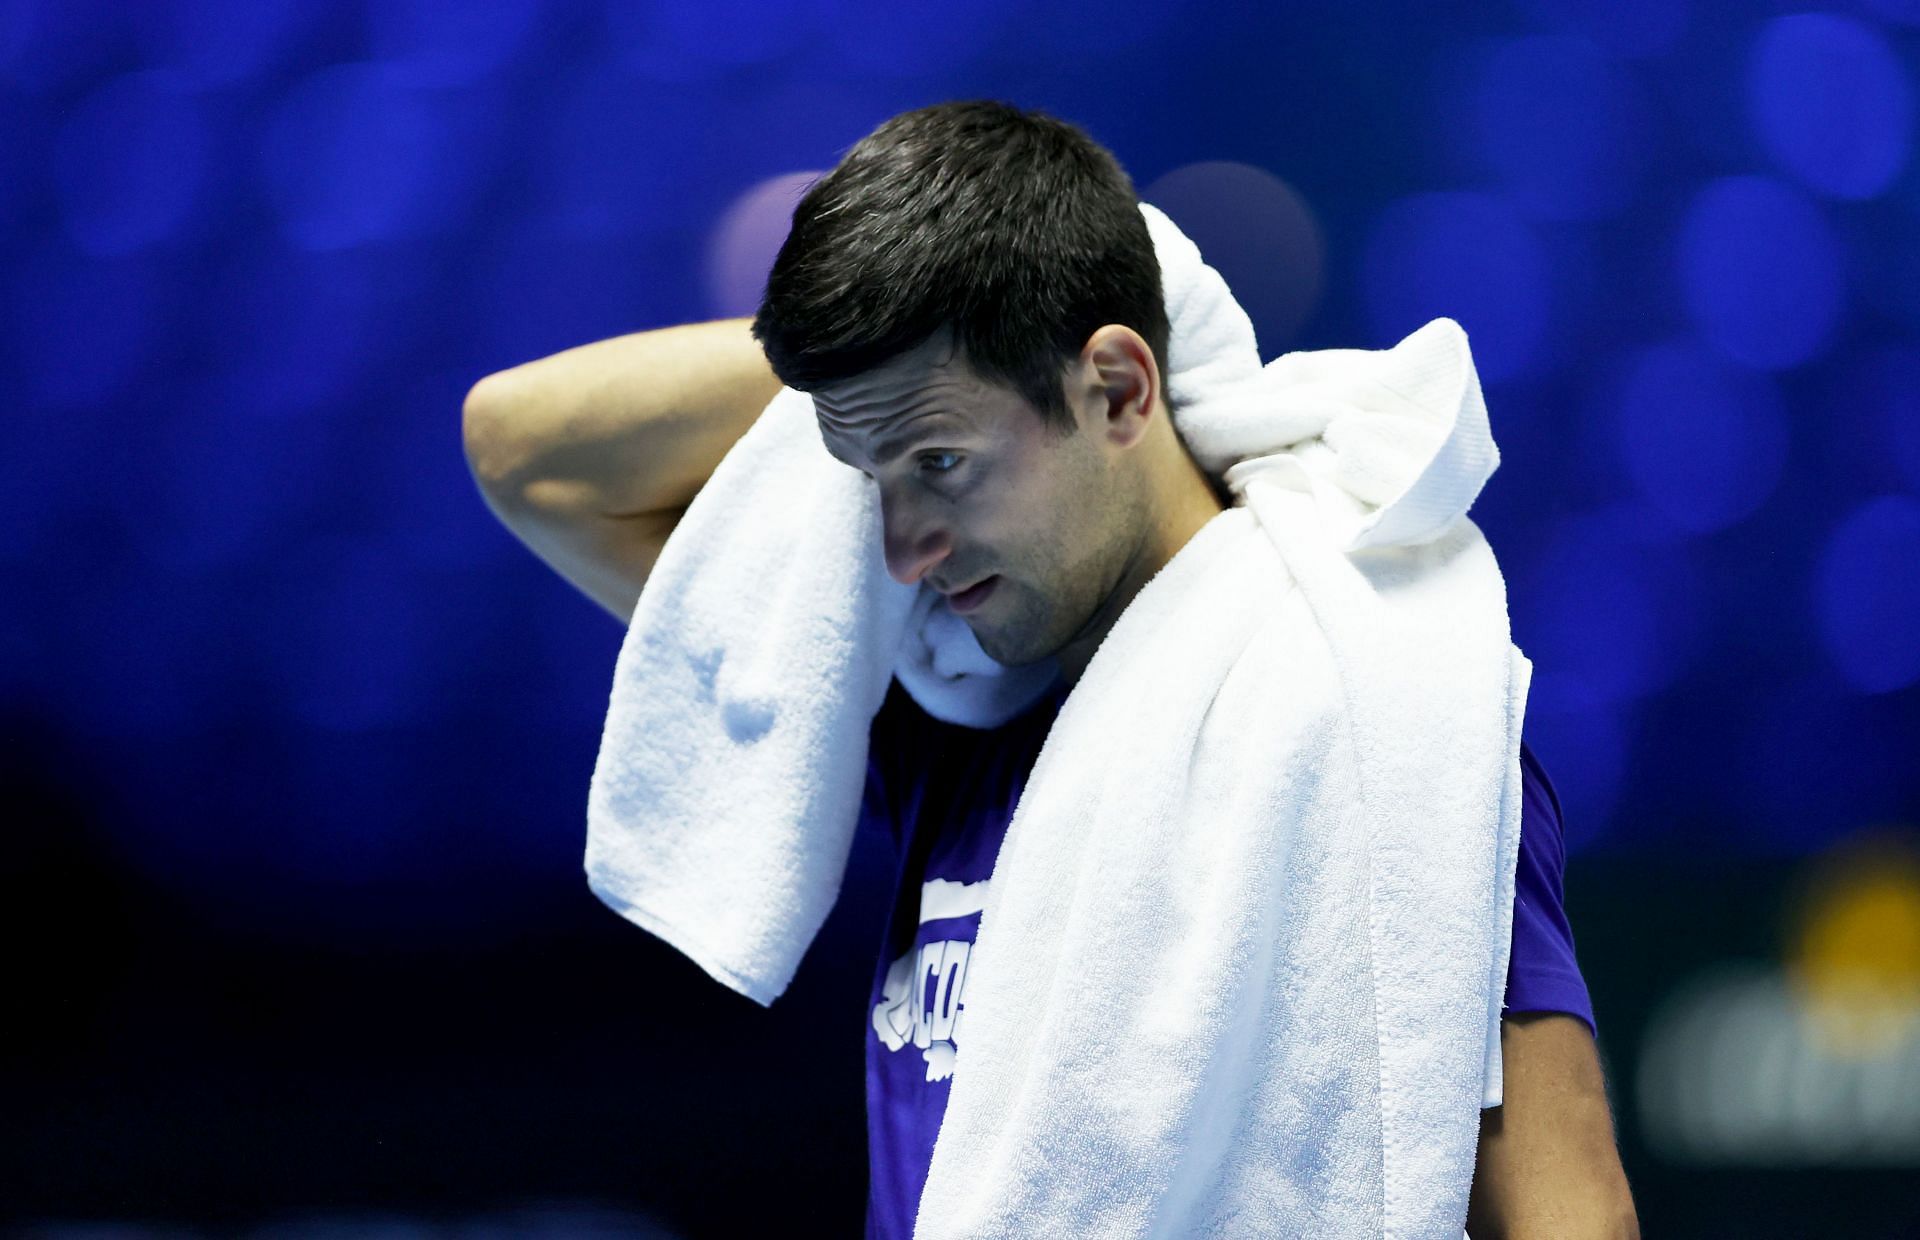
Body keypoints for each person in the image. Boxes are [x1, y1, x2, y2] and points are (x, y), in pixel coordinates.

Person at [465, 99, 1639, 1239]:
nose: (900, 548)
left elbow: (1567, 1211)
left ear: (1121, 387)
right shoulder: (939, 693)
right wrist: (926, 330)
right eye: (867, 476)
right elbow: (524, 447)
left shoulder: (1382, 710)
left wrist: (1059, 286)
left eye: (941, 458)